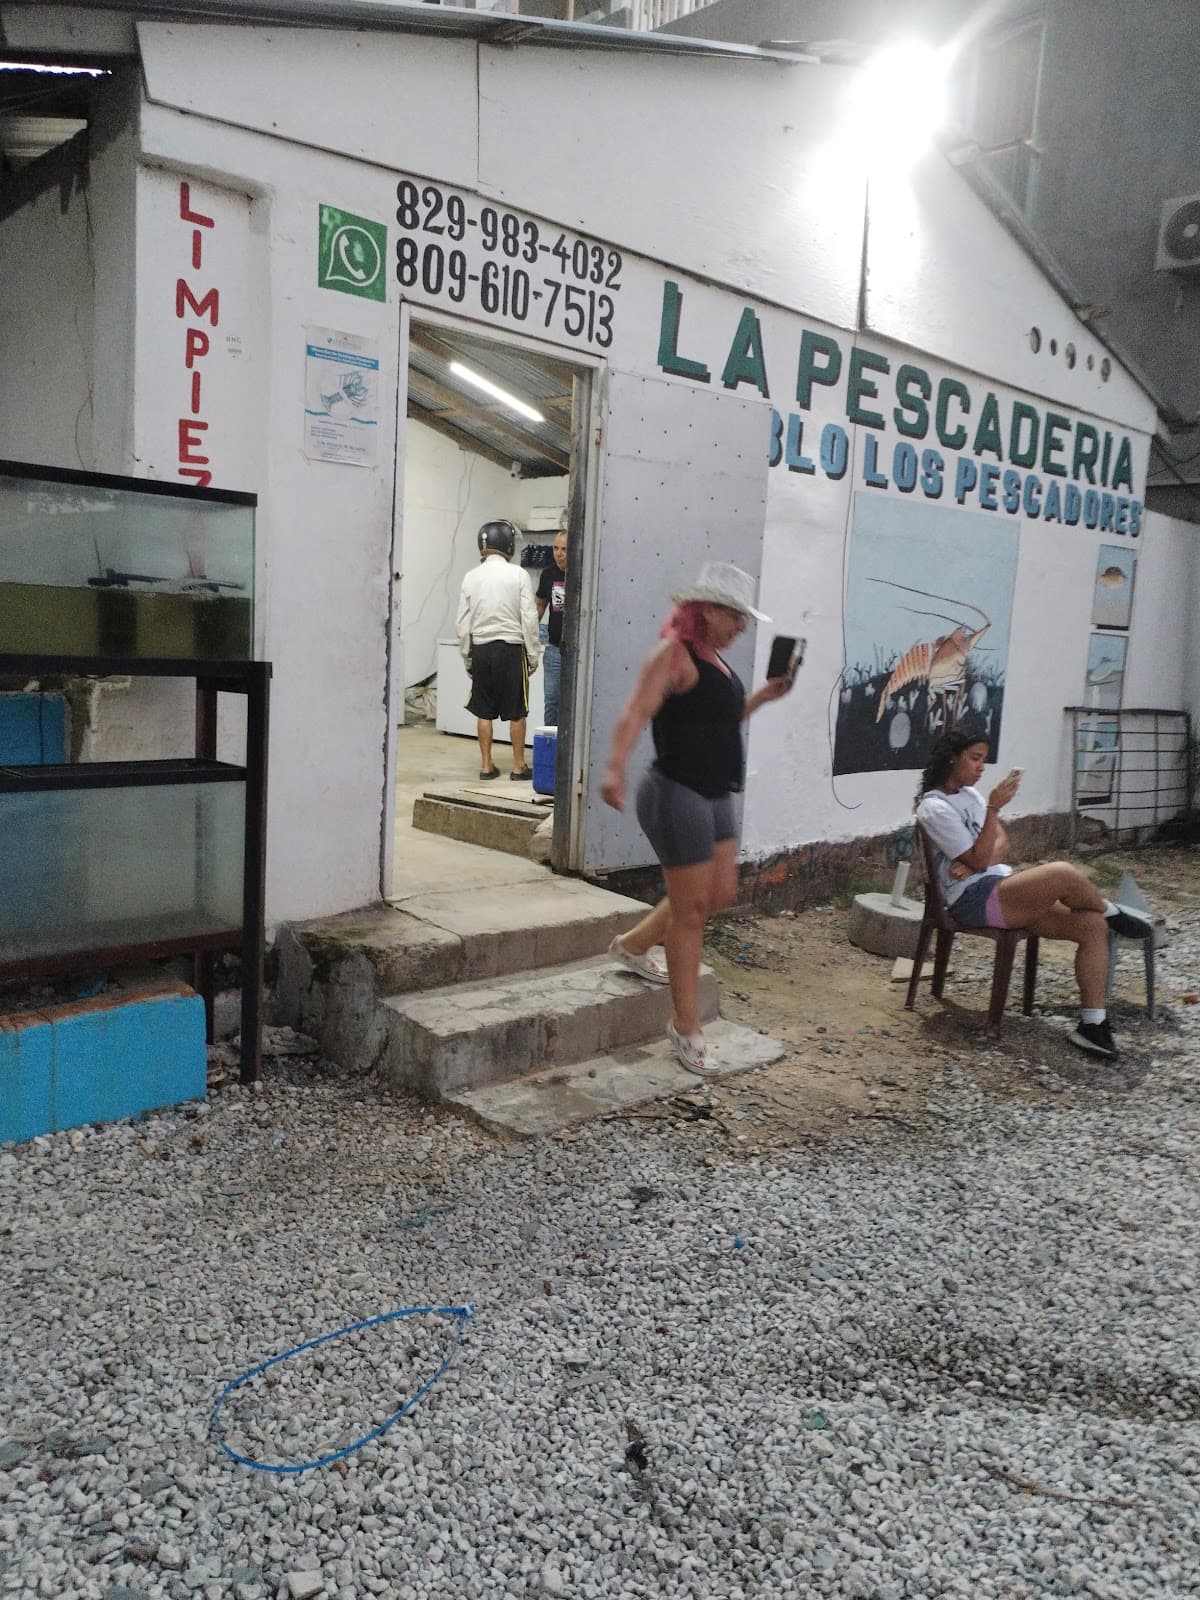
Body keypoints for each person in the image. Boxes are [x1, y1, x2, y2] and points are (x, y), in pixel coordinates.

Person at [600, 561, 792, 1078]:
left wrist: (763, 697)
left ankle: (635, 943)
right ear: (708, 611)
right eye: (736, 618)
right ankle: (686, 1026)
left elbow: (721, 720)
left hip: (714, 792)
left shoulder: (717, 662)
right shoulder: (673, 655)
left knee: (718, 892)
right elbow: (635, 712)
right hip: (675, 792)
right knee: (691, 912)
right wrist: (615, 770)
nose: (743, 628)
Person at [915, 729, 1154, 1059]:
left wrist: (973, 862)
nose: (981, 768)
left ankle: (1092, 1026)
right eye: (975, 758)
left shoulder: (971, 796)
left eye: (984, 760)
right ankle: (1111, 911)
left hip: (999, 889)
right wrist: (993, 813)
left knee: (1091, 927)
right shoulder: (934, 807)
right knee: (1062, 874)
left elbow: (1002, 845)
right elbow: (986, 852)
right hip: (970, 900)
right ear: (952, 758)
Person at [455, 520, 540, 780]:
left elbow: (462, 622)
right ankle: (518, 767)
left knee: (484, 710)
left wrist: (467, 656)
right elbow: (529, 618)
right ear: (508, 544)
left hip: (481, 649)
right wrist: (533, 654)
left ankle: (486, 766)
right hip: (512, 649)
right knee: (517, 711)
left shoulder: (471, 577)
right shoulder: (518, 575)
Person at [535, 520, 568, 728]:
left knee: (572, 703)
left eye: (564, 549)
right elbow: (538, 607)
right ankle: (551, 748)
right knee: (552, 701)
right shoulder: (548, 574)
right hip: (555, 649)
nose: (559, 553)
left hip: (577, 652)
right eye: (555, 548)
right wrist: (527, 638)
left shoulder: (583, 575)